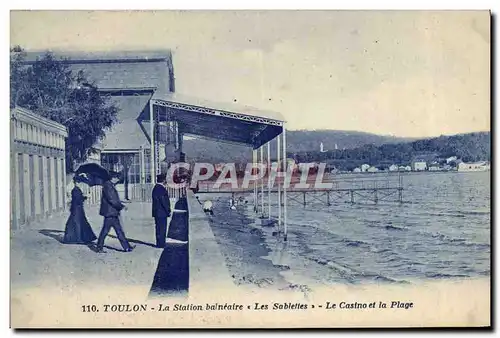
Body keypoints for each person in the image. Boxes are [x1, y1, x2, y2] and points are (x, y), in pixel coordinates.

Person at [96, 173, 134, 253]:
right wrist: (121, 206)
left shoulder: (109, 185)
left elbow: (113, 199)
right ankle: (99, 247)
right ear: (113, 178)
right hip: (110, 212)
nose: (118, 180)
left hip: (112, 212)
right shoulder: (108, 186)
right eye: (117, 179)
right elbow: (112, 199)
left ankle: (127, 247)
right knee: (106, 231)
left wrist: (120, 204)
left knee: (117, 230)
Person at [63, 175, 97, 244]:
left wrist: (83, 197)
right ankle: (78, 238)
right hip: (77, 209)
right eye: (80, 182)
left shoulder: (77, 189)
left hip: (78, 208)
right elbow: (77, 200)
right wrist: (85, 197)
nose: (81, 183)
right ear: (77, 182)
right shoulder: (75, 190)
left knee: (78, 222)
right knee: (77, 223)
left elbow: (77, 199)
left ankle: (81, 237)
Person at [152, 173, 171, 248]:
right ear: (163, 180)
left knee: (159, 228)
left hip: (157, 212)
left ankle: (159, 243)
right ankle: (161, 244)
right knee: (162, 229)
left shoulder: (156, 188)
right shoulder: (161, 189)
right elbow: (164, 201)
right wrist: (168, 210)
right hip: (162, 212)